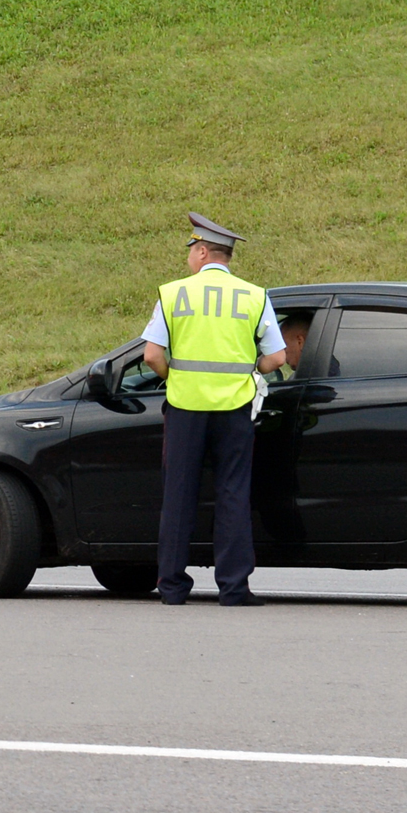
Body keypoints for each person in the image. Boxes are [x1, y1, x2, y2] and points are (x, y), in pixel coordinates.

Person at [141, 213, 286, 606]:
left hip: (186, 407)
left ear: (202, 251)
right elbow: (277, 357)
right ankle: (234, 589)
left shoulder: (173, 294)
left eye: (191, 250)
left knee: (178, 497)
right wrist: (250, 368)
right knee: (233, 495)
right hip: (234, 408)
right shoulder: (255, 296)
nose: (189, 257)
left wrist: (174, 376)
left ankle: (171, 587)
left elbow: (152, 354)